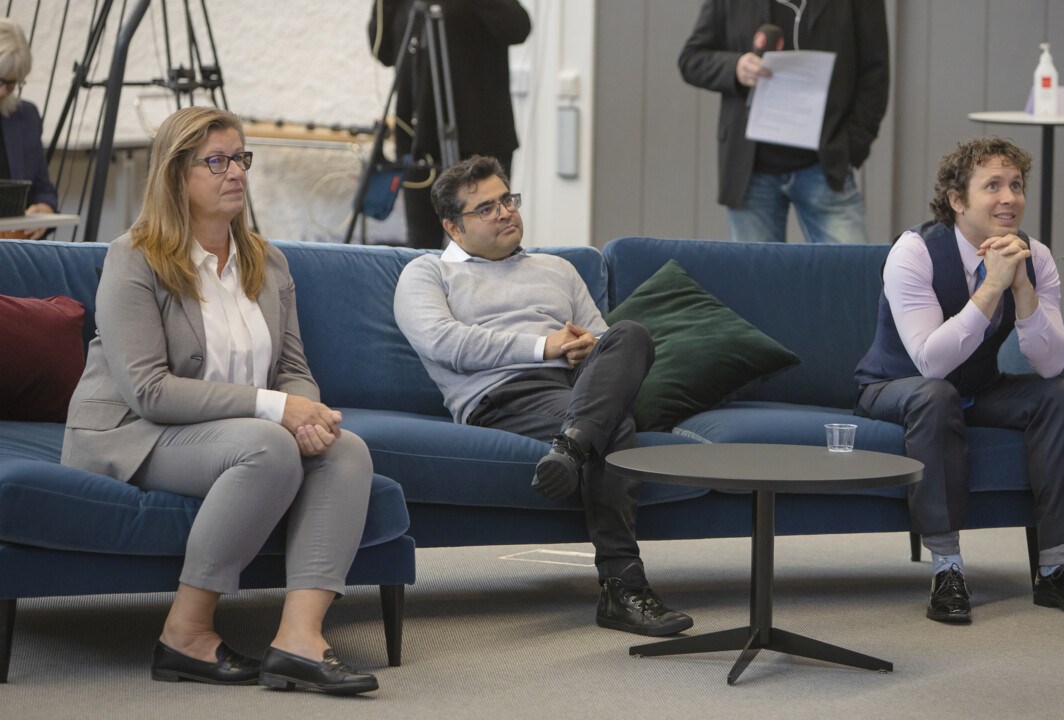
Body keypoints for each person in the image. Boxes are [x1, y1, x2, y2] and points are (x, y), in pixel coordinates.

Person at [60, 107, 379, 694]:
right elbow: (150, 390)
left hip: (231, 433)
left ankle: (298, 643)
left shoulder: (268, 260)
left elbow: (292, 368)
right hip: (132, 432)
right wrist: (277, 411)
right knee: (266, 447)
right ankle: (185, 634)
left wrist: (304, 413)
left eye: (241, 158)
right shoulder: (135, 257)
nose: (236, 172)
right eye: (217, 161)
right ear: (176, 173)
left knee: (346, 450)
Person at [394, 155, 694, 637]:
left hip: (576, 389)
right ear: (453, 226)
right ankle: (623, 586)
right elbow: (443, 342)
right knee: (614, 428)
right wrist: (544, 345)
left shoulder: (558, 268)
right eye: (486, 208)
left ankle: (571, 446)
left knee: (630, 334)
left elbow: (602, 341)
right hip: (502, 397)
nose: (506, 212)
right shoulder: (428, 274)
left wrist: (584, 348)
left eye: (507, 200)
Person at [852, 137, 1064, 623]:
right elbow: (931, 362)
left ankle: (1058, 569)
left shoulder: (1034, 256)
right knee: (936, 394)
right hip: (897, 386)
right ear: (957, 200)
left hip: (978, 388)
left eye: (1016, 185)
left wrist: (1022, 287)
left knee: (1061, 395)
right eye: (992, 185)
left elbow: (1052, 363)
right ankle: (947, 570)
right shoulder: (915, 252)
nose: (1009, 197)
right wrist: (993, 286)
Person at [678, 0, 889, 244]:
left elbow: (875, 72)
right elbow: (691, 59)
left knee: (850, 276)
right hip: (751, 169)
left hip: (826, 163)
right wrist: (735, 67)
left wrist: (852, 145)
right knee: (756, 280)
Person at [368, 0, 530, 249]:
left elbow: (518, 28)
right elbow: (383, 51)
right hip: (419, 139)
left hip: (482, 138)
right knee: (422, 246)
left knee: (489, 243)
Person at [0, 18, 57, 239]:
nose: (3, 92)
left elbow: (43, 189)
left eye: (12, 83)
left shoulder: (25, 117)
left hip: (13, 248)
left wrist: (44, 209)